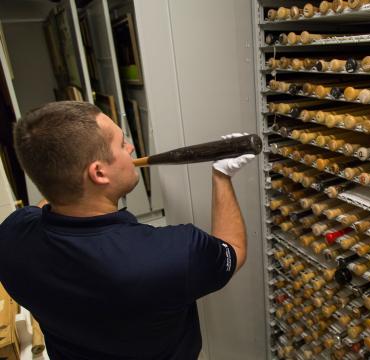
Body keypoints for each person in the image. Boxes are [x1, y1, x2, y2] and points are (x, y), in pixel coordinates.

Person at [0, 101, 255, 360]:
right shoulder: (170, 254)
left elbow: (47, 202)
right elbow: (234, 248)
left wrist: (61, 181)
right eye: (122, 144)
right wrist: (221, 176)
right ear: (99, 172)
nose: (131, 148)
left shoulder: (11, 237)